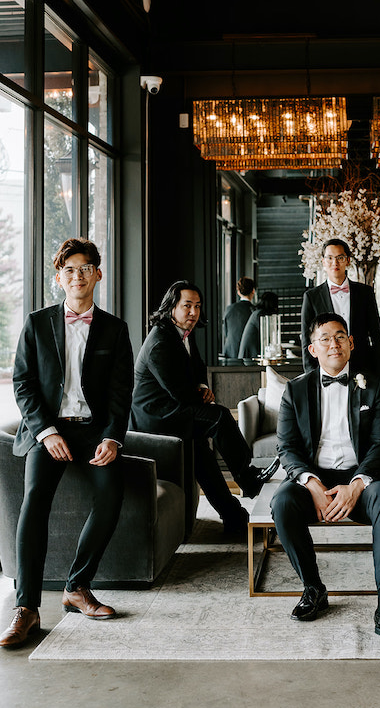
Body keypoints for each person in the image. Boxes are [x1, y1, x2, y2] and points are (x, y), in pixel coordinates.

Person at [0, 238, 133, 649]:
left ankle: (77, 587)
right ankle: (27, 608)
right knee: (34, 499)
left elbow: (120, 392)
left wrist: (112, 437)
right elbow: (22, 383)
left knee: (112, 494)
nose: (78, 276)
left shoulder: (115, 328)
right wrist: (46, 432)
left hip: (94, 430)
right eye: (70, 270)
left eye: (85, 268)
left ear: (98, 274)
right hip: (49, 430)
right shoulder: (37, 323)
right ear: (59, 278)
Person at [271, 312, 380, 638]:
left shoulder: (374, 386)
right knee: (282, 502)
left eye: (339, 337)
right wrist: (311, 483)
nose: (333, 344)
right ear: (312, 349)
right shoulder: (295, 391)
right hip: (314, 479)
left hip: (363, 475)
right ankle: (313, 588)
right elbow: (287, 447)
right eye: (325, 339)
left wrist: (356, 484)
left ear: (351, 343)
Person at [130, 281, 278, 535]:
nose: (193, 312)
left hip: (174, 408)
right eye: (187, 306)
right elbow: (177, 391)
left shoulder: (183, 333)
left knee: (203, 458)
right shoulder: (160, 341)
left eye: (197, 306)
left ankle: (234, 519)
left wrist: (201, 385)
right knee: (220, 417)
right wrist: (201, 396)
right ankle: (248, 479)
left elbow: (198, 367)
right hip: (155, 418)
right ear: (171, 307)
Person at [300, 238, 380, 377]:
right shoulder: (312, 296)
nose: (335, 263)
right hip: (327, 367)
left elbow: (376, 334)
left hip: (363, 366)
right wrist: (311, 373)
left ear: (347, 260)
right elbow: (306, 338)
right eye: (329, 258)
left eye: (340, 258)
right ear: (323, 262)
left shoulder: (365, 292)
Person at [238, 291, 278, 359]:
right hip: (249, 357)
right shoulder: (260, 315)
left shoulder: (258, 313)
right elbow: (266, 335)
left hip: (249, 355)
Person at [222, 277, 255, 358]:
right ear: (253, 291)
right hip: (249, 354)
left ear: (238, 292)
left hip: (230, 351)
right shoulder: (254, 311)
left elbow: (225, 331)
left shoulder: (230, 309)